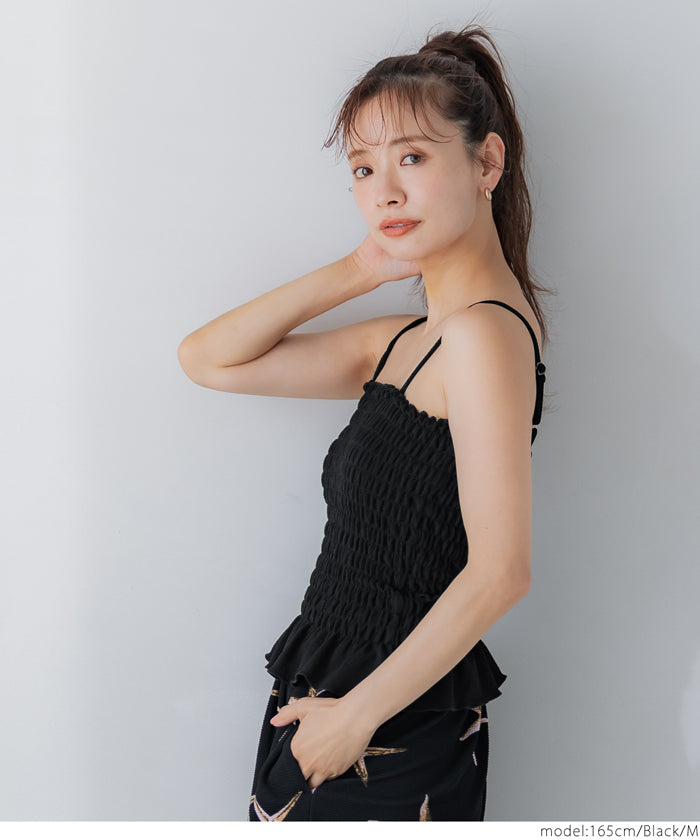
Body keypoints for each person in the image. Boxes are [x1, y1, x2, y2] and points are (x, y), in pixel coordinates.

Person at [178, 21, 549, 822]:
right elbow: (208, 359)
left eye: (411, 158)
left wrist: (355, 717)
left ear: (486, 163)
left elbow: (502, 572)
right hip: (333, 696)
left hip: (383, 722)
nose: (384, 190)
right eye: (362, 167)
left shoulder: (482, 337)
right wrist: (359, 267)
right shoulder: (407, 342)